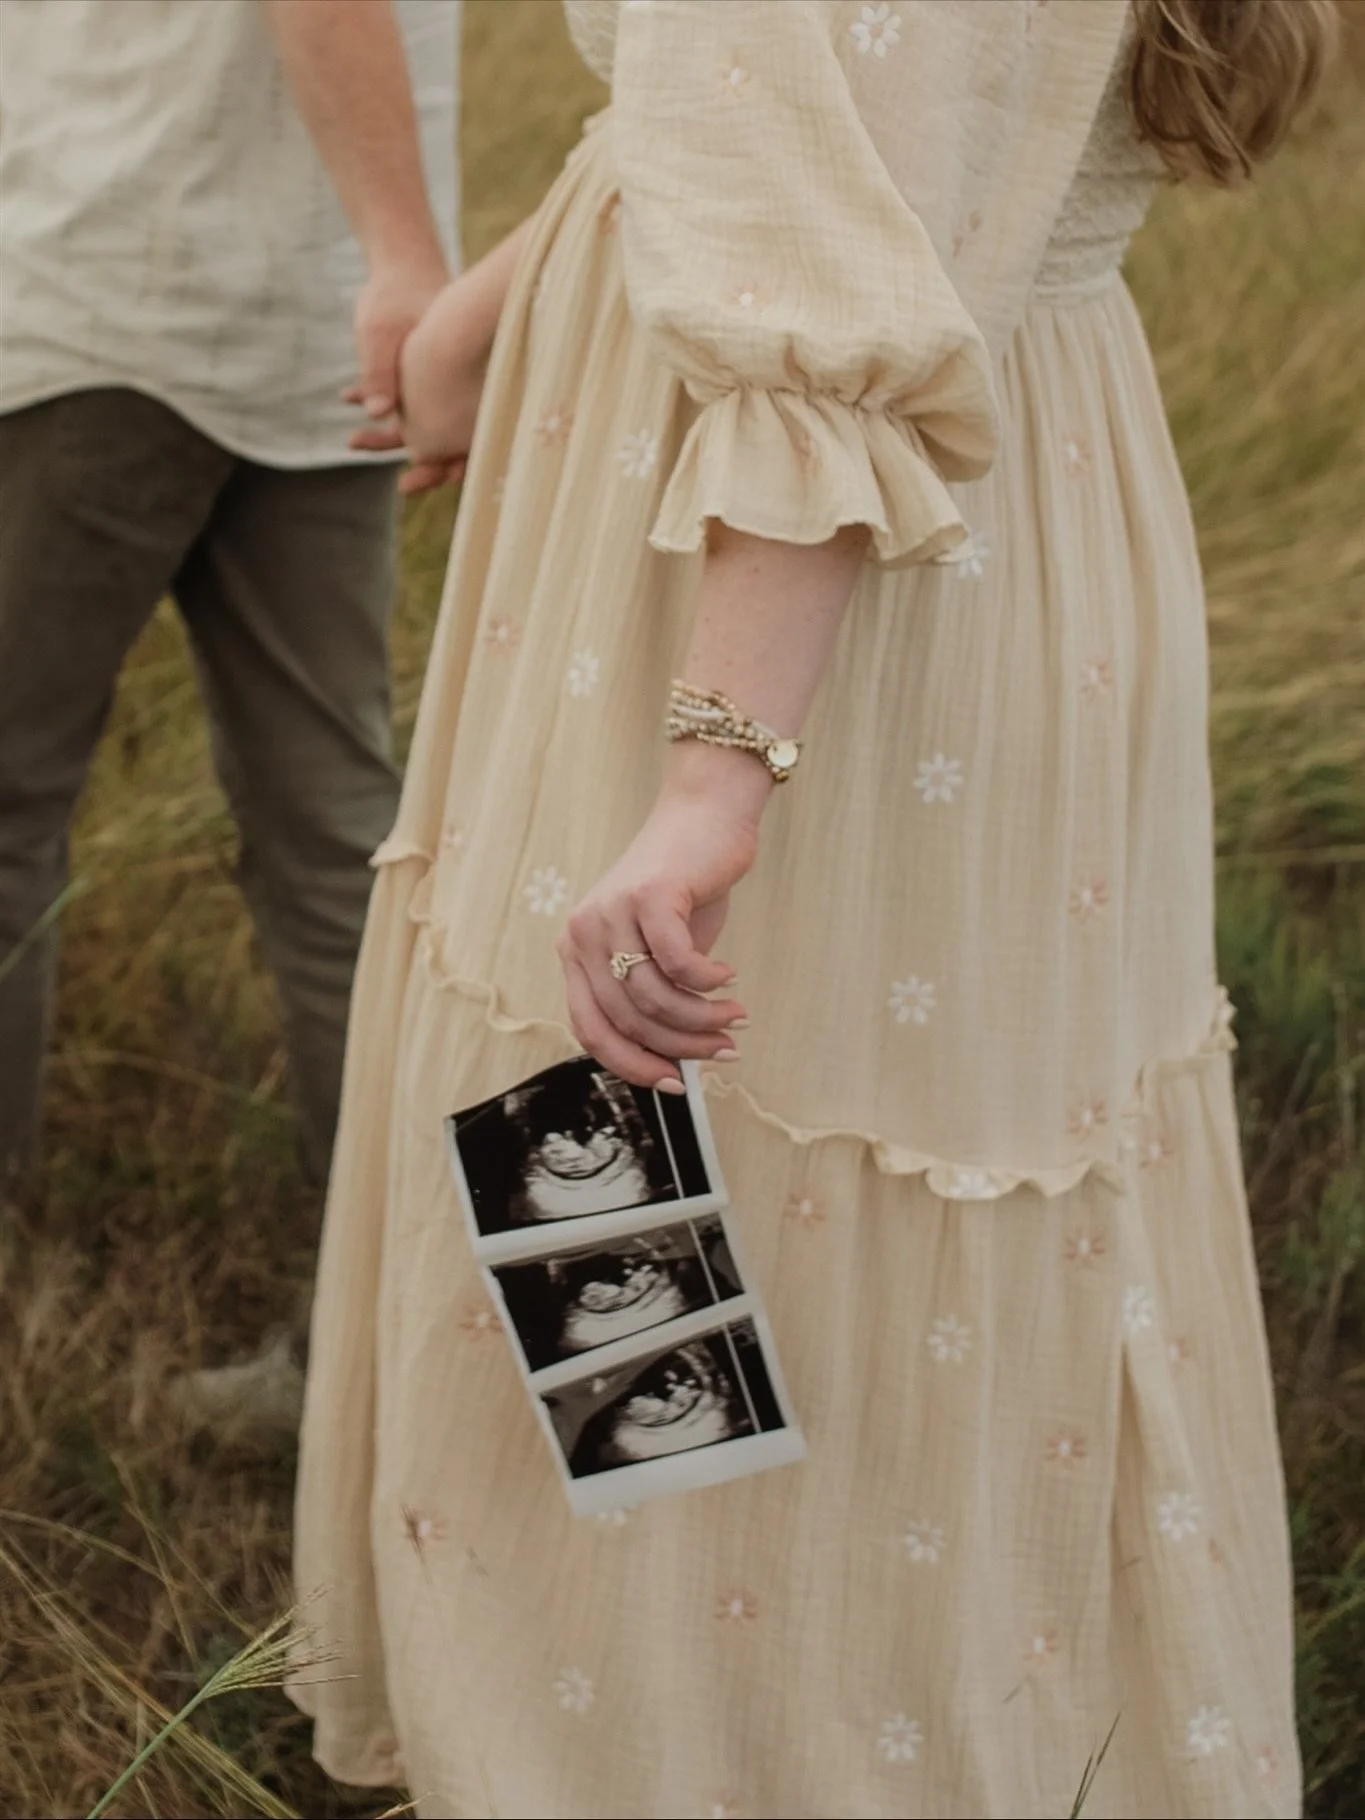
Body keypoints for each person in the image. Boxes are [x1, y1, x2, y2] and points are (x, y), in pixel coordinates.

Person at [292, 1, 1336, 1814]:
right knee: (711, 1153)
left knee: (629, 1115)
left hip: (793, 572)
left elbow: (834, 266)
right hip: (959, 501)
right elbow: (777, 133)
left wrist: (716, 776)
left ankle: (670, 1753)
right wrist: (488, 313)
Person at [0, 0, 460, 1195]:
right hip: (324, 328)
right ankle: (378, 1280)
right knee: (335, 831)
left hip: (116, 276)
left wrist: (403, 254)